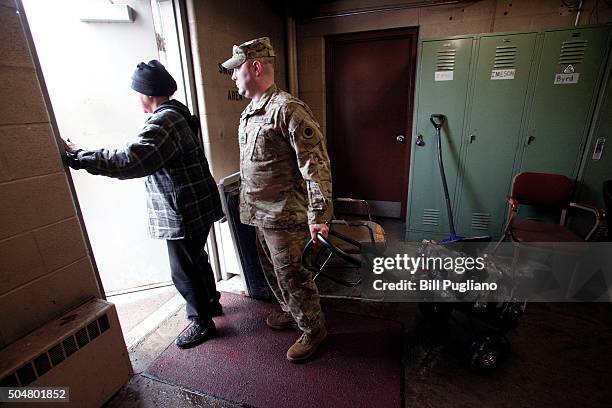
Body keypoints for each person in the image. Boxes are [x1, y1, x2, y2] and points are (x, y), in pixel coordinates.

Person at [62, 60, 224, 349]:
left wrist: (80, 157)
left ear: (147, 93)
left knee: (183, 269)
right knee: (196, 259)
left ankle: (201, 321)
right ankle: (211, 303)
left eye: (137, 92)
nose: (136, 98)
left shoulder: (164, 121)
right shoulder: (180, 113)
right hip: (198, 204)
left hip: (183, 210)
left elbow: (132, 160)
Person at [222, 37, 333, 362]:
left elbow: (316, 166)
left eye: (236, 70)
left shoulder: (288, 109)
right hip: (261, 215)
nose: (232, 77)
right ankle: (291, 312)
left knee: (293, 276)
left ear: (255, 67)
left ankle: (314, 330)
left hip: (286, 217)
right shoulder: (250, 113)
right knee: (272, 271)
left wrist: (319, 216)